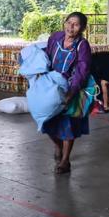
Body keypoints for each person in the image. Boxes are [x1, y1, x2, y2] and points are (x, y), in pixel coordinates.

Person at [43, 12, 92, 174]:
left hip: (71, 87)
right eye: (69, 22)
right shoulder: (55, 37)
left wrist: (72, 92)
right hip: (52, 86)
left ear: (82, 28)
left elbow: (82, 70)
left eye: (76, 24)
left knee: (68, 124)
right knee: (47, 122)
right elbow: (47, 56)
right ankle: (58, 145)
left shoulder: (82, 45)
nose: (71, 27)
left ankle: (65, 160)